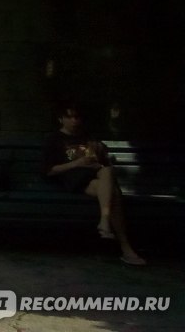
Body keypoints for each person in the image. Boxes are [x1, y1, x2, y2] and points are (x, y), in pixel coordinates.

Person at [42, 102, 144, 265]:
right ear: (61, 119)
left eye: (77, 117)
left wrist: (100, 152)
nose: (74, 121)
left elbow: (103, 162)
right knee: (114, 194)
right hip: (74, 179)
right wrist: (78, 163)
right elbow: (48, 171)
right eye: (70, 117)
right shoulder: (53, 139)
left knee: (108, 175)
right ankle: (125, 248)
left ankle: (105, 223)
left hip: (96, 177)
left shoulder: (87, 136)